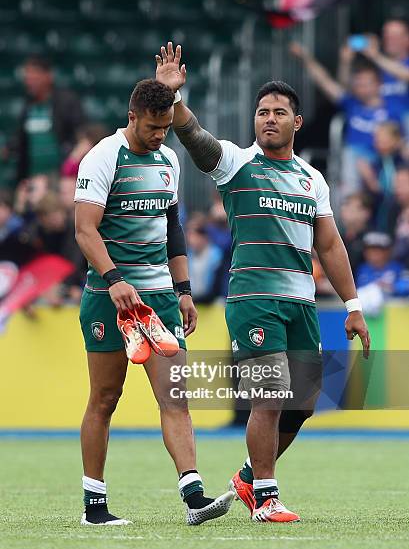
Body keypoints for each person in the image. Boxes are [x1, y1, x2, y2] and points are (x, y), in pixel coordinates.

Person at [155, 42, 370, 524]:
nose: (268, 119)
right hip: (254, 301)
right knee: (269, 397)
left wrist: (352, 304)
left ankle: (250, 477)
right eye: (261, 112)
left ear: (297, 122)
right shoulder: (237, 163)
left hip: (302, 305)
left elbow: (330, 245)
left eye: (278, 112)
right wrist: (175, 100)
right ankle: (266, 498)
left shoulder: (312, 180)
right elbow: (194, 137)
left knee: (303, 404)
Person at [74, 78, 234, 526]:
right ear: (132, 117)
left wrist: (183, 291)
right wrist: (114, 279)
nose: (160, 134)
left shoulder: (168, 160)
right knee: (105, 397)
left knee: (175, 396)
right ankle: (95, 507)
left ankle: (195, 497)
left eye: (165, 127)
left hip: (161, 297)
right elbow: (85, 230)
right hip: (109, 298)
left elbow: (173, 228)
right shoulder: (103, 157)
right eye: (152, 127)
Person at [289, 42, 402, 194]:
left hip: (381, 162)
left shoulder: (393, 108)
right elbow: (324, 81)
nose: (362, 87)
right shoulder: (351, 103)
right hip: (352, 161)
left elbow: (399, 141)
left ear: (378, 84)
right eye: (359, 83)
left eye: (367, 83)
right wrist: (305, 57)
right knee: (349, 156)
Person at [9, 55, 86, 184]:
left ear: (48, 76)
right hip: (32, 178)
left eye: (35, 77)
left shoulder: (66, 102)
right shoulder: (27, 107)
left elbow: (82, 134)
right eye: (27, 78)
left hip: (60, 179)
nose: (29, 82)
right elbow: (20, 142)